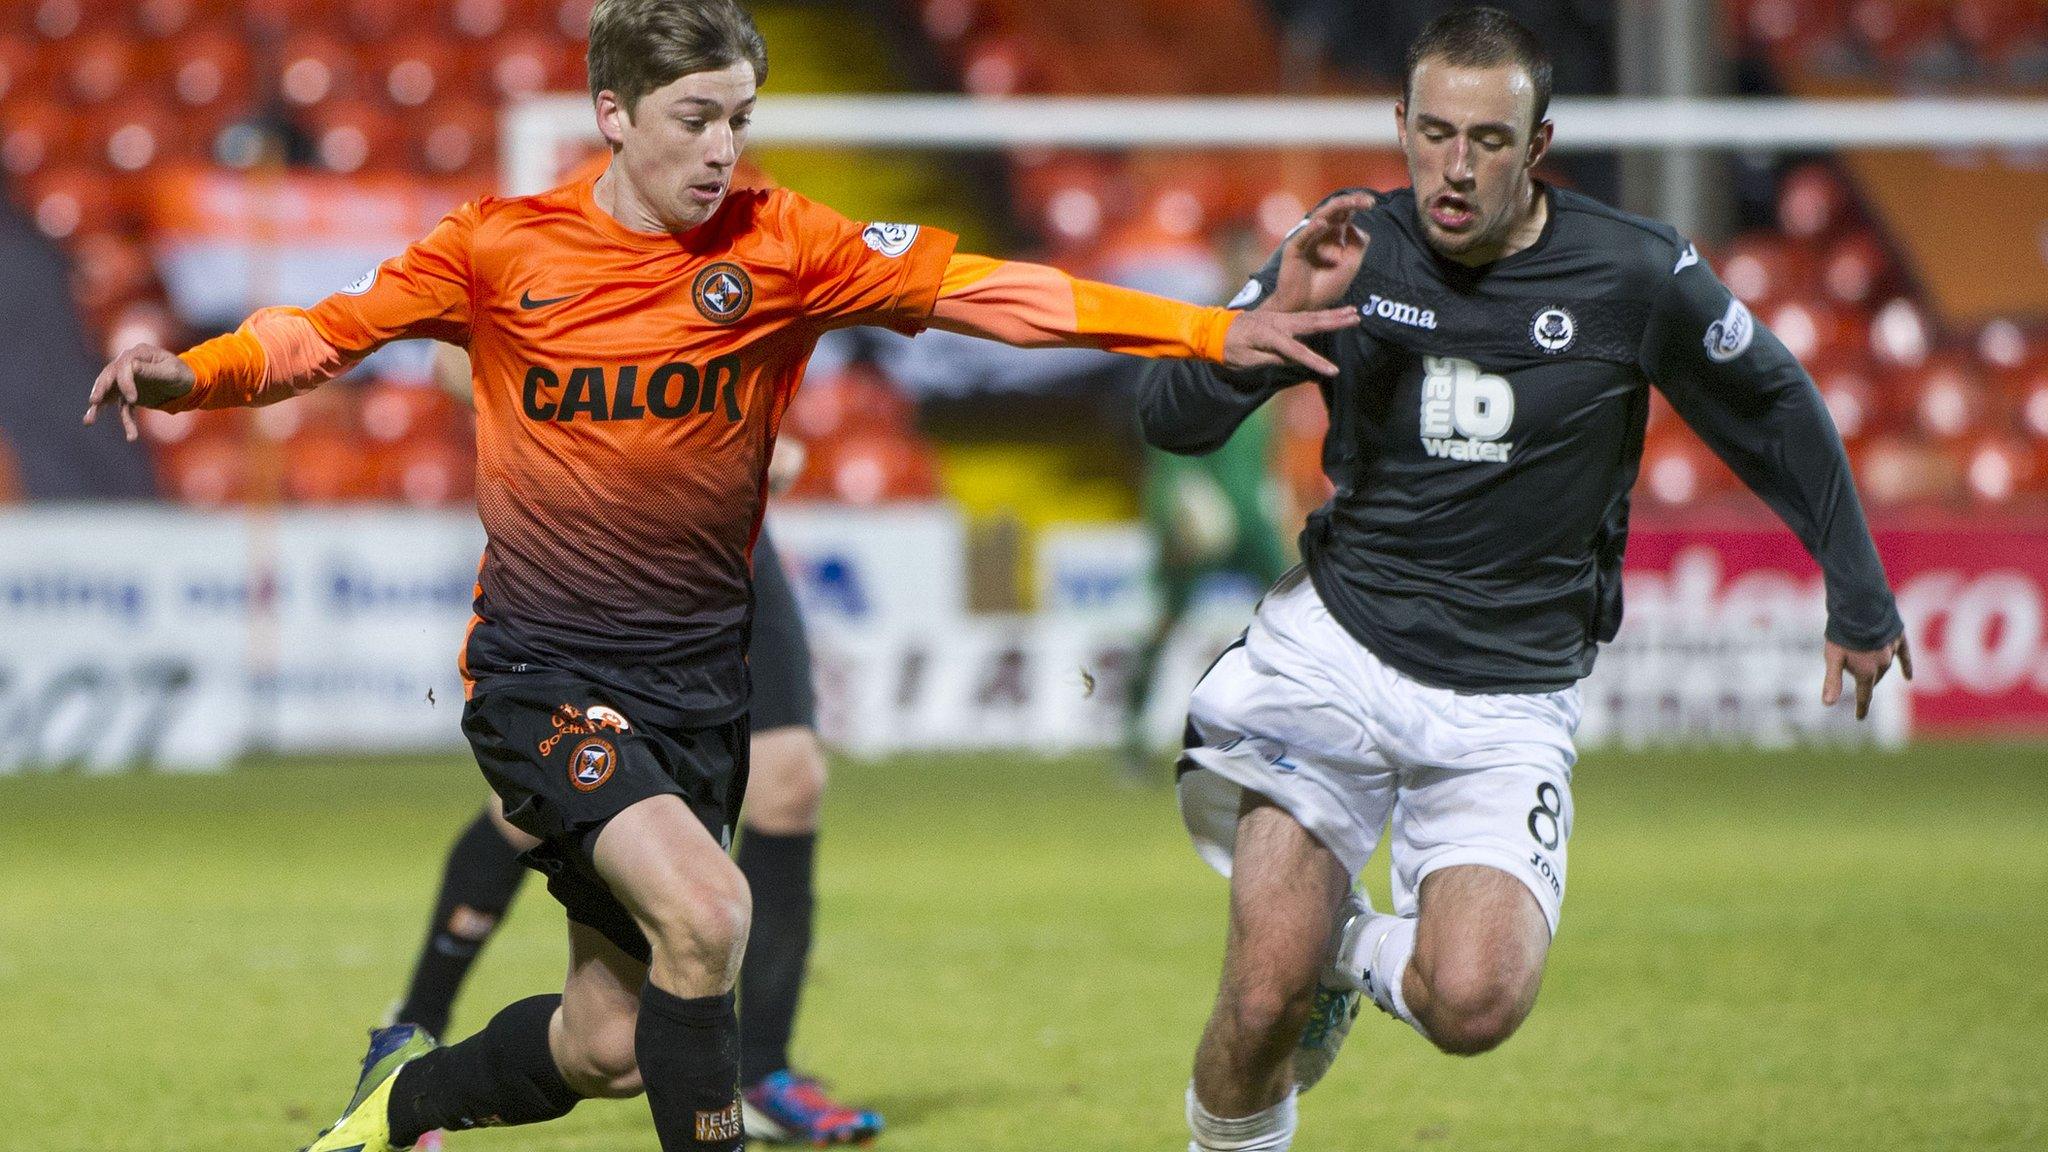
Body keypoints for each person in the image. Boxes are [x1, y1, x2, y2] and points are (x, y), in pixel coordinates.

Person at [83, 3, 1357, 1149]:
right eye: (694, 118)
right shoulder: (497, 249)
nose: (719, 150)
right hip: (545, 675)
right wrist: (190, 375)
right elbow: (318, 333)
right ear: (612, 114)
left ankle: (396, 1109)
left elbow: (989, 292)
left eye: (739, 120)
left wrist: (1207, 329)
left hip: (700, 695)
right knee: (708, 915)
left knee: (604, 1040)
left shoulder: (783, 243)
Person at [1139, 10, 1911, 1152]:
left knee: (1473, 1001)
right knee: (1258, 1004)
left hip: (1507, 697)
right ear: (1398, 127)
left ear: (1536, 145)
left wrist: (1856, 590)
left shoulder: (1632, 273)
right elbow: (1169, 422)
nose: (1455, 167)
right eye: (1434, 133)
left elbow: (1774, 410)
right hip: (1335, 655)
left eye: (1488, 141)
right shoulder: (1350, 244)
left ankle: (1341, 953)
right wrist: (1265, 321)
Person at [393, 529, 882, 1147]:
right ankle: (414, 1029)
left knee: (792, 777)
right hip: (603, 536)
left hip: (726, 544)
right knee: (539, 803)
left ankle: (762, 1074)